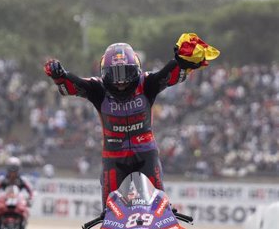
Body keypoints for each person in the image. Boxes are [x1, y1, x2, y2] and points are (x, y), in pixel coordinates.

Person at [44, 40, 209, 207]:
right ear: (103, 73)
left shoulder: (147, 83)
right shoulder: (97, 88)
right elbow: (73, 85)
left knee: (161, 205)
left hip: (146, 154)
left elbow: (167, 75)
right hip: (114, 158)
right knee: (109, 209)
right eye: (114, 74)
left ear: (136, 69)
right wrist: (59, 75)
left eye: (125, 73)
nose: (120, 81)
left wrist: (181, 62)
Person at [0, 157, 34, 229]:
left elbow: (31, 191)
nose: (13, 171)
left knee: (25, 211)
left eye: (15, 168)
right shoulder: (2, 179)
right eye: (11, 168)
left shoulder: (23, 180)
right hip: (5, 201)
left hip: (18, 201)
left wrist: (30, 199)